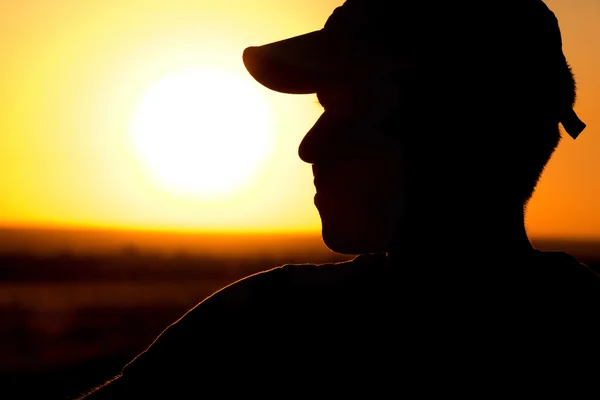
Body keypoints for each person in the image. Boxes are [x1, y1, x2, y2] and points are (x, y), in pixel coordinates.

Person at [80, 1, 599, 397]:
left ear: (467, 130)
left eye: (357, 111)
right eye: (324, 108)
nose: (311, 147)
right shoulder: (261, 323)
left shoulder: (270, 328)